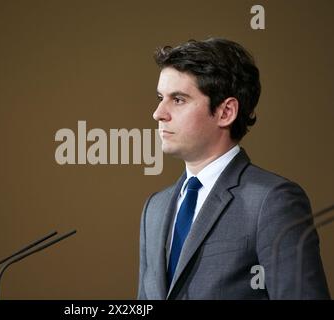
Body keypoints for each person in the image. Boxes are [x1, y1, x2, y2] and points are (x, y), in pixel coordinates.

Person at [137, 38, 330, 299]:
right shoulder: (154, 209)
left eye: (178, 99)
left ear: (226, 112)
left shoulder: (273, 201)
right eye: (161, 98)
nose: (158, 113)